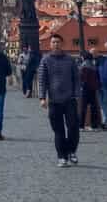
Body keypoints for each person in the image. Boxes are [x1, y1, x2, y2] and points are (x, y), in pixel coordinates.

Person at [38, 33, 80, 168]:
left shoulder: (70, 60)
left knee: (73, 128)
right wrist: (42, 97)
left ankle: (71, 151)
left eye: (58, 42)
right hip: (54, 101)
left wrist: (77, 95)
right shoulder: (45, 60)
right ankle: (61, 156)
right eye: (53, 42)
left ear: (62, 44)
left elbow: (77, 79)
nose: (56, 44)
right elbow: (42, 80)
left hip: (70, 99)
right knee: (59, 131)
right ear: (50, 45)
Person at [78, 51, 100, 132]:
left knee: (83, 107)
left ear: (83, 57)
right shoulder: (94, 66)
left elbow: (81, 78)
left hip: (85, 89)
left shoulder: (83, 66)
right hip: (93, 89)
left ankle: (81, 126)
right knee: (94, 107)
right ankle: (94, 126)